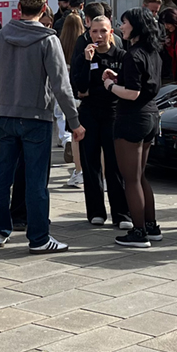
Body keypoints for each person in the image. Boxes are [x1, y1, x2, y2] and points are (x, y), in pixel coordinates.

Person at [0, 0, 85, 253]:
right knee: (36, 180)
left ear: (19, 6)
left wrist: (2, 99)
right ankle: (39, 238)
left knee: (2, 177)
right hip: (37, 118)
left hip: (7, 116)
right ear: (44, 7)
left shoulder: (0, 36)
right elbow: (61, 86)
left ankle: (0, 230)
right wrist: (74, 122)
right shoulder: (48, 40)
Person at [103, 8, 165, 247]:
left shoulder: (133, 54)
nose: (121, 27)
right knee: (140, 176)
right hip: (150, 115)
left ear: (137, 25)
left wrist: (110, 85)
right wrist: (118, 77)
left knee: (130, 179)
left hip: (131, 117)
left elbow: (132, 92)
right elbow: (142, 83)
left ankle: (138, 232)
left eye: (125, 22)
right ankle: (151, 225)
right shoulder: (154, 52)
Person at [70, 14, 129, 228]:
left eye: (103, 31)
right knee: (90, 163)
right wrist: (87, 62)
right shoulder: (84, 57)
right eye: (94, 31)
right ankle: (96, 212)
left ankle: (121, 213)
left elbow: (125, 86)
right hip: (89, 114)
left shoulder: (121, 56)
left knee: (114, 164)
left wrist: (105, 87)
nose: (99, 35)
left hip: (114, 114)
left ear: (111, 32)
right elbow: (80, 88)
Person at [58, 10, 88, 189]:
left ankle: (66, 141)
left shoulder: (60, 42)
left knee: (64, 119)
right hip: (81, 90)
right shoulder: (84, 42)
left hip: (64, 86)